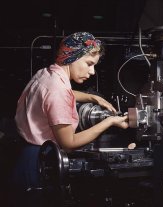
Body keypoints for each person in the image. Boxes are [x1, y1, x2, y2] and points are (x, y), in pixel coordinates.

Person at [8, 32, 129, 207]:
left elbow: (60, 93)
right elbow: (69, 142)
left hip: (25, 157)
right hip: (40, 163)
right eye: (89, 64)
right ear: (73, 57)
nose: (92, 71)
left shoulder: (47, 74)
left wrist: (92, 98)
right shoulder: (58, 91)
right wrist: (109, 122)